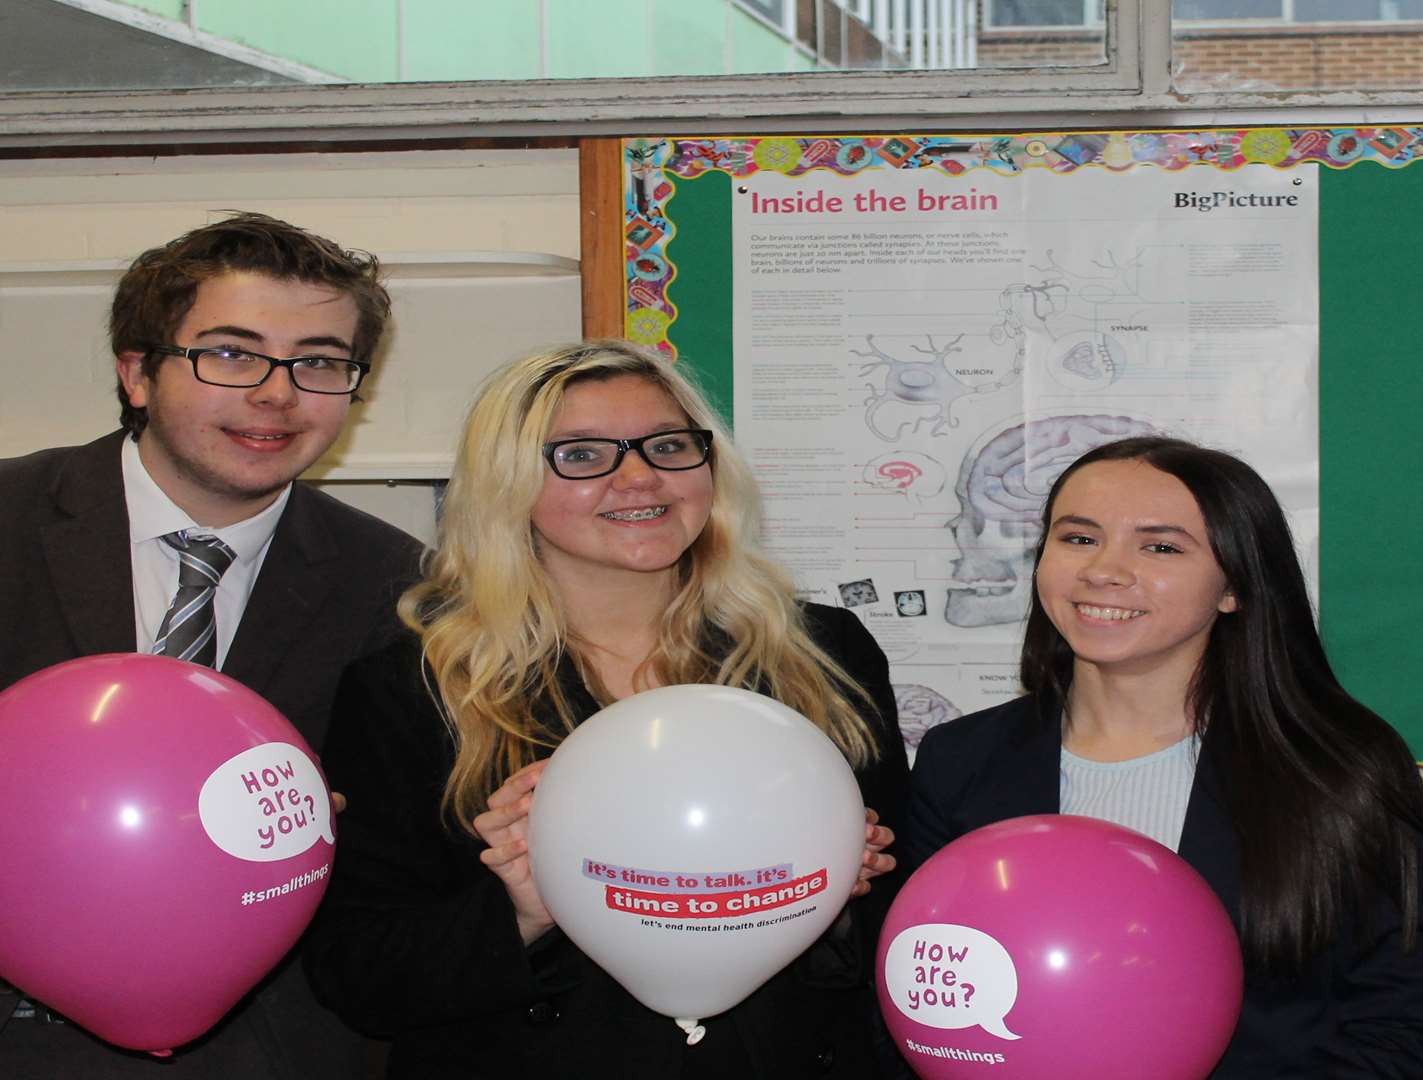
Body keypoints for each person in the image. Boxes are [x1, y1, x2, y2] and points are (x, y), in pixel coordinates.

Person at [305, 340, 910, 1077]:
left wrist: (843, 896)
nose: (639, 475)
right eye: (583, 455)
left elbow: (901, 925)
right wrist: (522, 908)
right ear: (509, 487)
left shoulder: (821, 655)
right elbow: (357, 977)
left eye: (667, 445)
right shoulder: (416, 690)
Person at [0, 213, 422, 1077]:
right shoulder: (9, 520)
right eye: (231, 353)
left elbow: (404, 876)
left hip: (266, 1050)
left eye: (318, 361)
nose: (278, 393)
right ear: (138, 373)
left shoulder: (403, 588)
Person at [908, 436, 1423, 1078]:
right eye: (1079, 539)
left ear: (1234, 587)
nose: (1104, 571)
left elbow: (1407, 1020)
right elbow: (917, 994)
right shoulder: (960, 761)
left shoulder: (1339, 765)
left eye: (1161, 547)